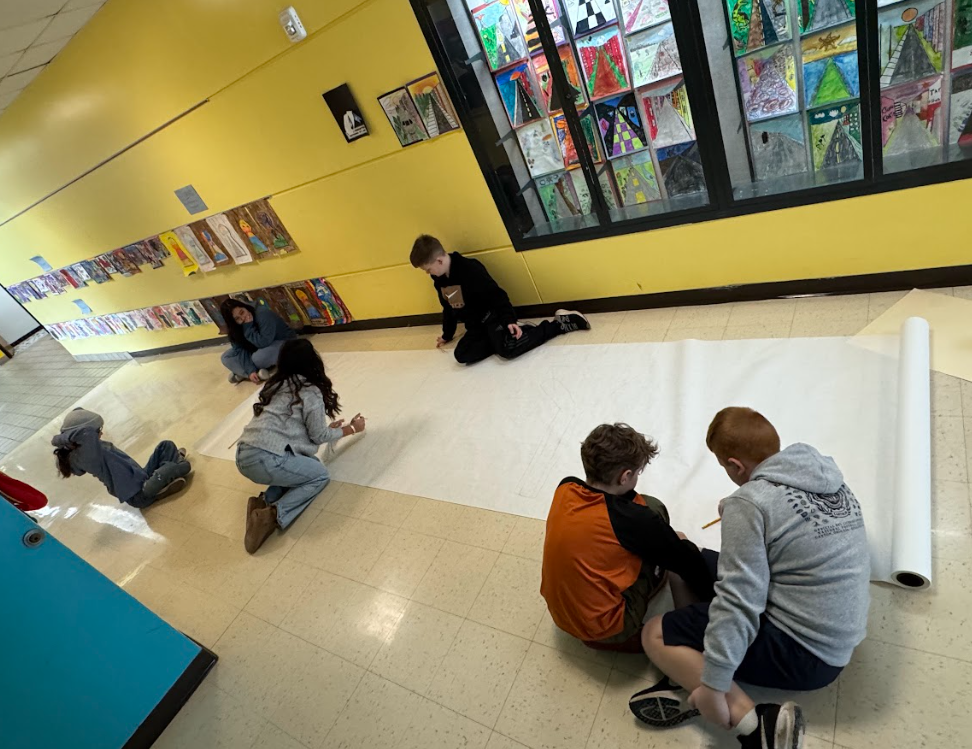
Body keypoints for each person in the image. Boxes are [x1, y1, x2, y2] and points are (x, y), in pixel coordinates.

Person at [628, 408, 870, 749]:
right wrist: (742, 508)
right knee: (685, 553)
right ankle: (693, 652)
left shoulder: (750, 503)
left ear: (734, 466)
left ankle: (758, 728)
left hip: (806, 653)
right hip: (838, 628)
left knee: (654, 634)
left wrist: (713, 685)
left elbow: (741, 601)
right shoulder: (820, 474)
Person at [541, 423, 715, 653]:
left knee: (648, 509)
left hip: (561, 615)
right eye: (637, 473)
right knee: (656, 513)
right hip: (608, 628)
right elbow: (684, 561)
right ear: (625, 476)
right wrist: (713, 593)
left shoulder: (566, 487)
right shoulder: (635, 521)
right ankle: (630, 635)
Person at [235, 338, 366, 553]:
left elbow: (292, 428)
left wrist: (328, 428)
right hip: (267, 458)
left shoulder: (275, 384)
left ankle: (264, 502)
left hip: (244, 453)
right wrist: (353, 428)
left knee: (306, 464)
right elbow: (318, 435)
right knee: (319, 475)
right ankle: (273, 514)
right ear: (312, 361)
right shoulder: (310, 390)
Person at [409, 235, 591, 365]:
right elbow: (449, 308)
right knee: (462, 355)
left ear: (439, 261)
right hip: (476, 325)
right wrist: (447, 334)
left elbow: (497, 295)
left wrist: (508, 320)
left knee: (508, 351)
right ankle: (511, 335)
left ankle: (560, 324)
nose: (428, 274)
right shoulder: (441, 280)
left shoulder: (470, 269)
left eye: (428, 269)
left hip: (492, 316)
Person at [51, 408, 191, 508]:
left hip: (141, 477)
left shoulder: (87, 448)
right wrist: (61, 437)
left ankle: (171, 468)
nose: (101, 433)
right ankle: (173, 469)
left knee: (165, 445)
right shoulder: (87, 455)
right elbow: (85, 431)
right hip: (139, 494)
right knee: (176, 468)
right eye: (98, 430)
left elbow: (84, 431)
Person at [220, 299, 297, 384]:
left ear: (245, 307)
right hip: (256, 348)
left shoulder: (263, 314)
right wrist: (250, 371)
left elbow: (264, 342)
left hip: (282, 341)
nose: (243, 318)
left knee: (258, 358)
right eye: (237, 318)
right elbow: (240, 349)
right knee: (226, 357)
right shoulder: (235, 328)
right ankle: (254, 373)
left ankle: (241, 372)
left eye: (242, 312)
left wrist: (248, 327)